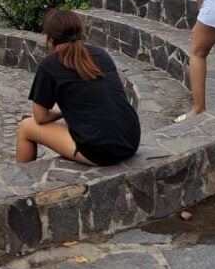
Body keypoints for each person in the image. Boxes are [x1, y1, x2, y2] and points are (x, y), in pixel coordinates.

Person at [16, 9, 140, 166]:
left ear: (50, 40)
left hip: (102, 151)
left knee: (26, 127)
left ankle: (22, 182)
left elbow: (40, 117)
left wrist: (62, 111)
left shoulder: (49, 66)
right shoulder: (101, 54)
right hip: (131, 139)